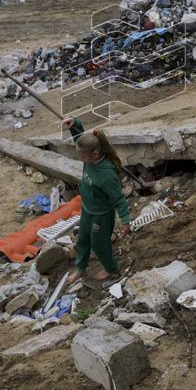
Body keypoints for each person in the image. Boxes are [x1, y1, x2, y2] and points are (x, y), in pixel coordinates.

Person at [61, 117, 131, 285]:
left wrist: (126, 221)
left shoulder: (106, 175)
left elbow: (118, 199)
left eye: (82, 156)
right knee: (83, 240)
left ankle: (111, 268)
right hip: (88, 209)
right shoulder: (90, 155)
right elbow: (80, 139)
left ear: (95, 153)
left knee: (100, 245)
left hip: (101, 215)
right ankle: (80, 268)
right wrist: (75, 125)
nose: (80, 158)